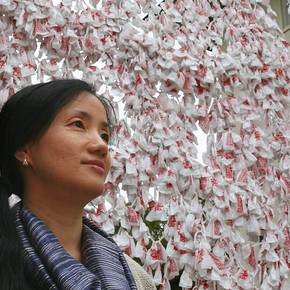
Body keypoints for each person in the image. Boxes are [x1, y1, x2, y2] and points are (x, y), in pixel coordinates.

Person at [0, 79, 156, 290]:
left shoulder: (137, 278)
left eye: (105, 135)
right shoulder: (7, 257)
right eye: (78, 124)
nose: (101, 146)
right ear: (24, 149)